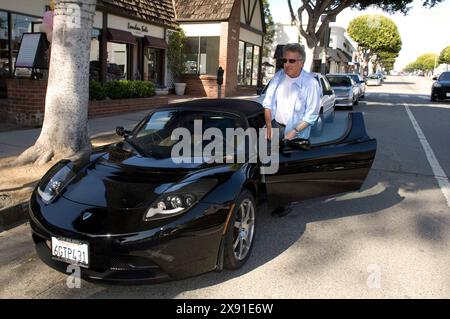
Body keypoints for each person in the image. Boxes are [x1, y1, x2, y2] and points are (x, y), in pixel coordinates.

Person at [262, 43, 321, 217]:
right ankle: (270, 193)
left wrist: (293, 132)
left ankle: (284, 203)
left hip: (296, 131)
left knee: (287, 168)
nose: (286, 64)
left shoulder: (310, 83)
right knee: (269, 163)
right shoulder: (279, 76)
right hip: (276, 125)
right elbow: (268, 103)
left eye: (291, 61)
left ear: (301, 62)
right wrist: (268, 126)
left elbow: (311, 115)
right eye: (284, 60)